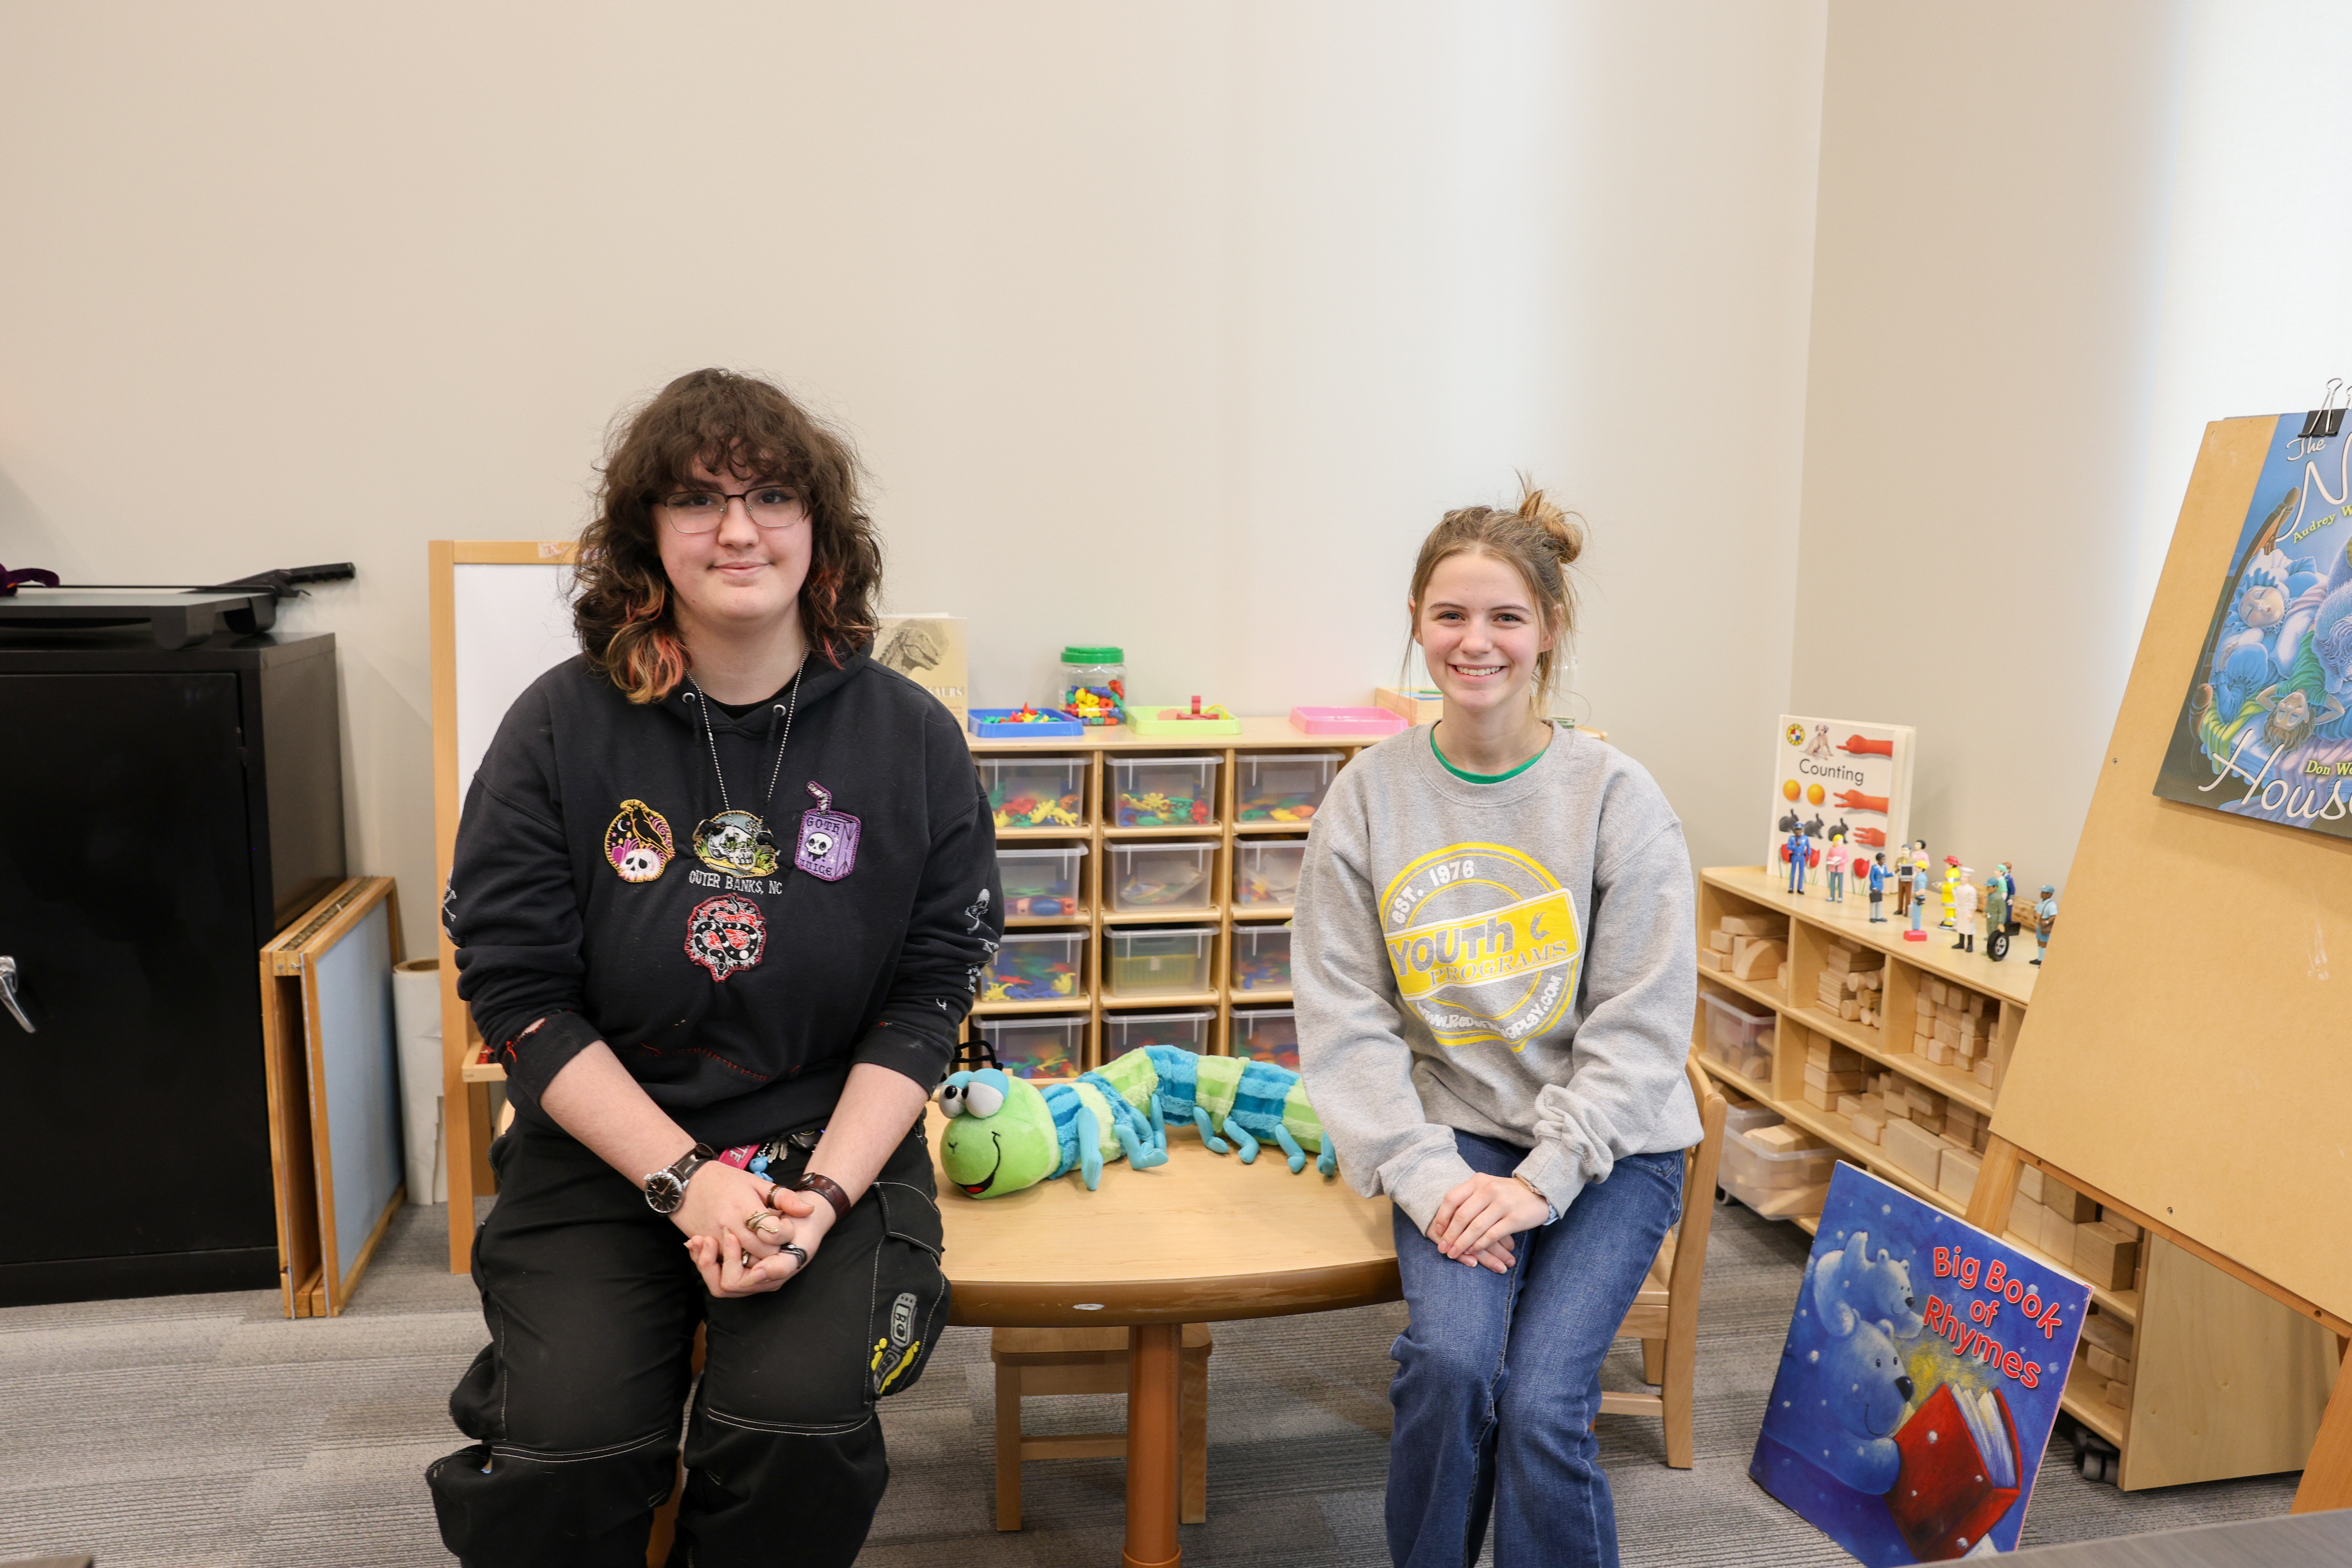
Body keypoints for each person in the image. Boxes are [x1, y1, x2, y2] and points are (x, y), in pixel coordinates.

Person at [426, 369, 1002, 1567]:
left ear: (820, 535)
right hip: (610, 1148)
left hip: (821, 1146)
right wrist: (684, 1180)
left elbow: (930, 993)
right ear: (648, 537)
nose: (737, 527)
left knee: (794, 1424)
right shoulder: (556, 727)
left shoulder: (912, 740)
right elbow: (519, 995)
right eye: (697, 499)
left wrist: (826, 1200)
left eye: (771, 495)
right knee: (566, 1444)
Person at [1293, 484, 1700, 1568]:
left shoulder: (1618, 798)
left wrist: (1546, 1177)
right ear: (1420, 626)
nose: (1476, 643)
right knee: (1451, 1368)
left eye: (1506, 618)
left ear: (1550, 632)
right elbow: (1345, 1025)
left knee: (1540, 1404)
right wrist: (1429, 1180)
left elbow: (1642, 1024)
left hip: (1617, 1145)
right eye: (1451, 616)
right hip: (1458, 1136)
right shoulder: (1367, 799)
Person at [1867, 850, 1889, 922]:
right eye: (1883, 860)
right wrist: (1874, 887)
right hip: (1875, 887)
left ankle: (1879, 917)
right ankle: (1872, 917)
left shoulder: (1885, 867)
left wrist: (1895, 873)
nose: (1884, 861)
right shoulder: (1874, 867)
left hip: (1880, 887)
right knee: (1873, 902)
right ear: (1878, 860)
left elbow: (1886, 875)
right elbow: (1872, 878)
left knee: (1880, 902)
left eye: (1885, 859)